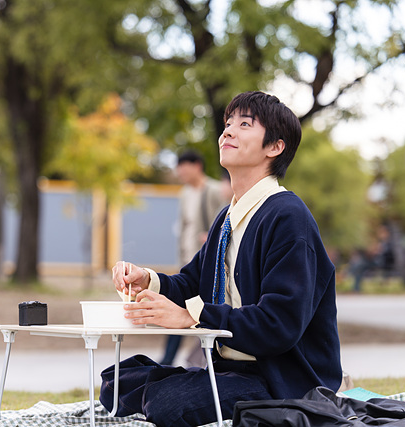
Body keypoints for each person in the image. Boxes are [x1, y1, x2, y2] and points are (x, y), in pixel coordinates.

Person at [102, 91, 342, 426]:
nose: (227, 131)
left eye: (244, 124)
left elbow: (279, 324)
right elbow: (191, 283)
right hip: (230, 371)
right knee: (116, 380)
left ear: (275, 147)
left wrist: (193, 317)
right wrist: (146, 280)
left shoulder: (288, 216)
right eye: (228, 123)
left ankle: (177, 393)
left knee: (167, 403)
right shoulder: (227, 218)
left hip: (282, 381)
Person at [160, 150, 230, 366]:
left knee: (197, 312)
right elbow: (183, 228)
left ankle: (180, 360)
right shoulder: (185, 194)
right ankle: (172, 359)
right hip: (188, 262)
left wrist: (212, 237)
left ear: (197, 165)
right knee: (181, 307)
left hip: (208, 262)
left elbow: (225, 219)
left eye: (183, 167)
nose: (180, 172)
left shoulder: (215, 190)